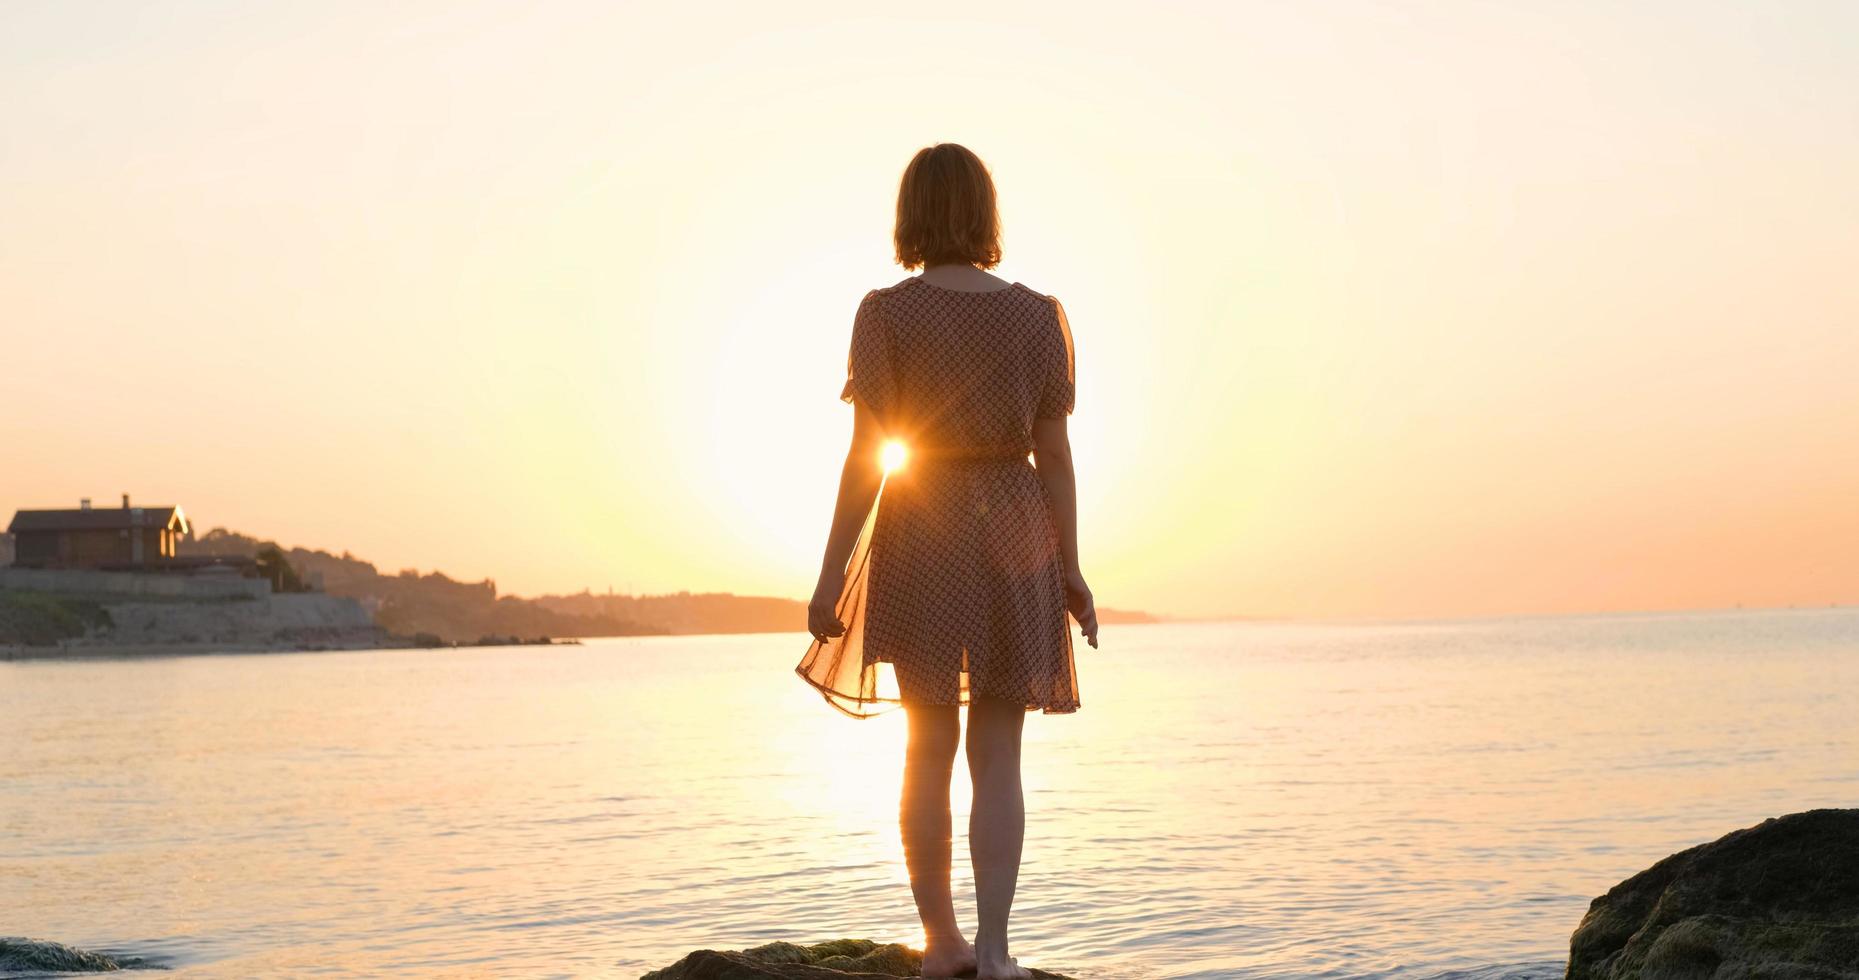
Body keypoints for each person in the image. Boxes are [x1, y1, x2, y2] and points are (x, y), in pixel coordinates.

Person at [797, 142, 1099, 980]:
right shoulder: (1039, 315)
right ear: (985, 211)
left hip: (922, 523)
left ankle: (943, 946)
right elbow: (1055, 456)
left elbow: (867, 455)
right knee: (997, 752)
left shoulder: (884, 313)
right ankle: (997, 953)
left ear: (911, 214)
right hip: (1014, 527)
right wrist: (1070, 569)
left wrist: (829, 574)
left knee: (926, 744)